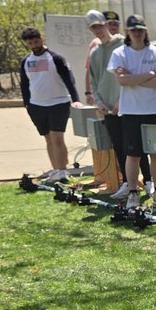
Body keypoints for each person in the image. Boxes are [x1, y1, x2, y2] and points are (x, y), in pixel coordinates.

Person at [108, 14, 156, 210]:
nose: (137, 33)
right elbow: (122, 81)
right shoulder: (120, 53)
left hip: (154, 109)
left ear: (145, 31)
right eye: (133, 30)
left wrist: (133, 77)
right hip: (131, 111)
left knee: (155, 153)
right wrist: (147, 76)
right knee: (133, 154)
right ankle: (134, 192)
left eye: (140, 29)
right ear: (127, 32)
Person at [18, 26, 79, 184]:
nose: (34, 44)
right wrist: (27, 104)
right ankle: (55, 170)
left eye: (36, 40)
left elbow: (69, 80)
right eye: (30, 43)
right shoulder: (26, 61)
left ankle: (62, 170)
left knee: (57, 138)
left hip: (58, 102)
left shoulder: (56, 58)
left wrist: (75, 99)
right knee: (49, 140)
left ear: (42, 38)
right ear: (26, 44)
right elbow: (24, 85)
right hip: (36, 105)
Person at [87, 11, 130, 195]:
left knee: (133, 145)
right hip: (107, 107)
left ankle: (147, 181)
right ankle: (127, 182)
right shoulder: (95, 52)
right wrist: (99, 102)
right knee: (118, 145)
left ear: (106, 24)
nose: (98, 30)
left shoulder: (122, 44)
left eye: (100, 25)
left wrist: (122, 99)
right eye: (93, 27)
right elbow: (94, 80)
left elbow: (130, 73)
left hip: (127, 104)